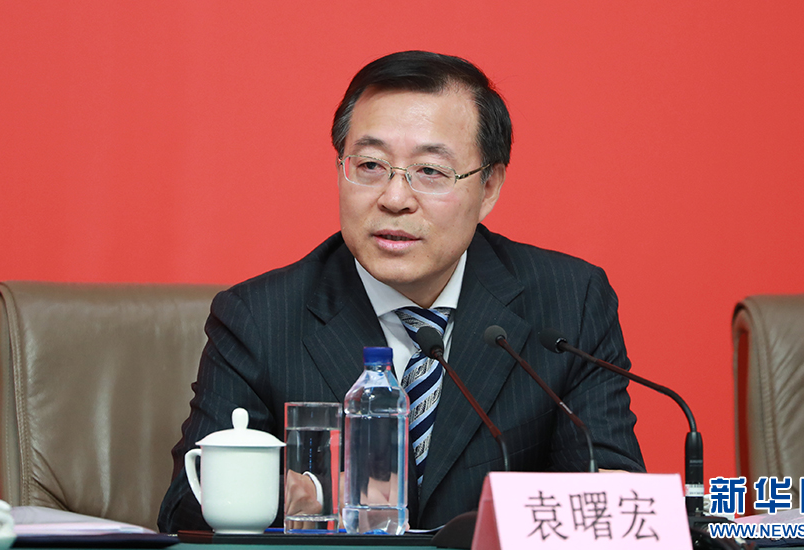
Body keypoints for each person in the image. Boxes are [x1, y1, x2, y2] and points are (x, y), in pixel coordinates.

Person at [158, 50, 644, 533]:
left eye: (430, 171)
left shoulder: (569, 303)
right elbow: (184, 508)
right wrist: (277, 498)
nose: (394, 198)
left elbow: (613, 495)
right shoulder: (259, 317)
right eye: (370, 165)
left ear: (489, 186)